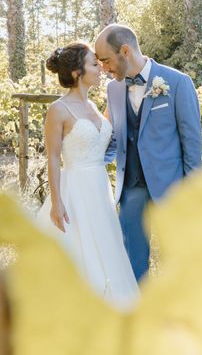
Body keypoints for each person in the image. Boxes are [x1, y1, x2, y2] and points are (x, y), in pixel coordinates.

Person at [35, 42, 139, 311]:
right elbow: (53, 159)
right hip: (75, 190)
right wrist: (57, 201)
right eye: (94, 64)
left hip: (99, 187)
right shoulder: (58, 110)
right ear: (76, 73)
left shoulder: (94, 105)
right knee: (81, 250)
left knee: (106, 246)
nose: (101, 69)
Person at [94, 24, 202, 282]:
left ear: (125, 51)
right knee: (132, 265)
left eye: (106, 61)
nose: (104, 69)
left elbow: (192, 143)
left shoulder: (177, 83)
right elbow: (116, 138)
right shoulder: (113, 89)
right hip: (130, 189)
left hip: (171, 190)